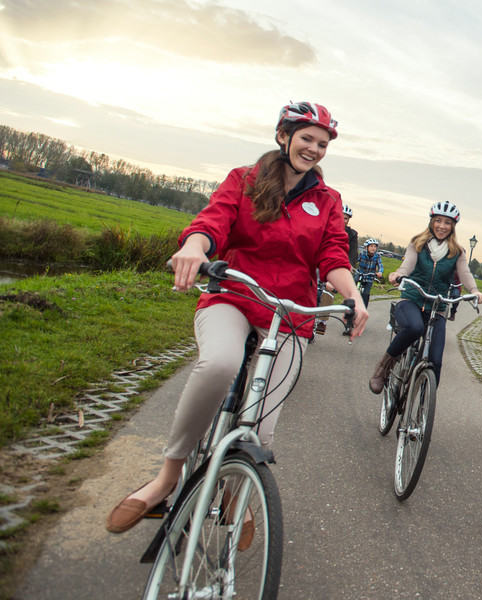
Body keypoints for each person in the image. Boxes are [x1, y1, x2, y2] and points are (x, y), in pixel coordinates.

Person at [105, 101, 369, 535]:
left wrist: (354, 297)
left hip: (287, 313)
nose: (314, 149)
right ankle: (166, 478)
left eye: (322, 144)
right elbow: (216, 219)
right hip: (234, 295)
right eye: (307, 139)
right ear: (284, 136)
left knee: (261, 426)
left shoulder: (327, 200)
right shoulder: (245, 179)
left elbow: (333, 254)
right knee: (220, 364)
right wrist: (195, 246)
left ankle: (235, 491)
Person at [368, 201, 482, 393]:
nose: (442, 226)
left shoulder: (457, 251)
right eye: (438, 221)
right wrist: (399, 274)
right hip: (411, 300)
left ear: (453, 226)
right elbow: (408, 263)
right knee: (415, 327)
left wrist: (474, 290)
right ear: (431, 222)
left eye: (447, 222)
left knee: (436, 360)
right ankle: (382, 368)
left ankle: (423, 405)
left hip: (437, 307)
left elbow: (464, 273)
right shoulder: (418, 243)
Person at [315, 203, 357, 335]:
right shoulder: (326, 226)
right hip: (318, 262)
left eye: (346, 218)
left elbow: (352, 254)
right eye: (341, 217)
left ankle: (322, 321)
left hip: (336, 266)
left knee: (330, 288)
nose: (342, 220)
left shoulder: (352, 234)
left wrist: (345, 269)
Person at [356, 238, 384, 307]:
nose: (373, 248)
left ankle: (364, 309)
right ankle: (348, 301)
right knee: (353, 287)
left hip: (369, 277)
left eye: (375, 246)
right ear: (366, 247)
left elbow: (380, 265)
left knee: (365, 294)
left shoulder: (377, 256)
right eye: (371, 246)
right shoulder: (362, 254)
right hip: (360, 274)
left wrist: (380, 272)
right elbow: (355, 261)